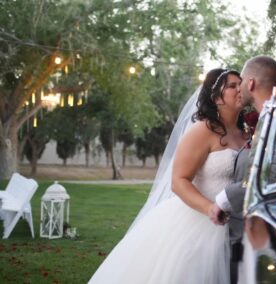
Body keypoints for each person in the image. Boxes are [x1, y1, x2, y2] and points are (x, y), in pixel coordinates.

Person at [89, 68, 248, 284]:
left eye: (241, 83)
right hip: (200, 221)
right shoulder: (203, 131)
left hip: (240, 224)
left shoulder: (247, 133)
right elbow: (179, 181)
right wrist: (210, 208)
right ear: (216, 97)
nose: (240, 89)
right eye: (232, 86)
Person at [208, 55, 276, 283]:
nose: (239, 86)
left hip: (271, 238)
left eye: (241, 81)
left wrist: (223, 199)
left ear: (250, 83)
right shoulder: (275, 116)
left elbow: (271, 183)